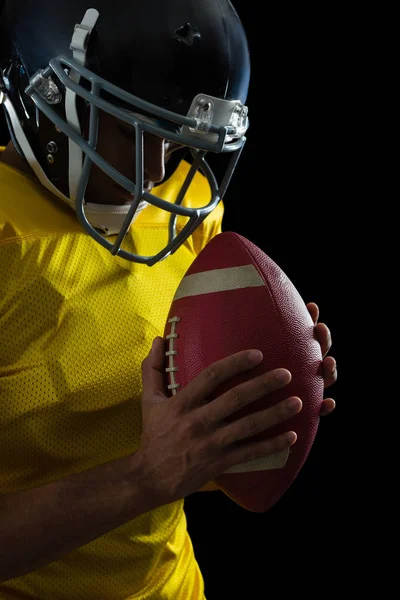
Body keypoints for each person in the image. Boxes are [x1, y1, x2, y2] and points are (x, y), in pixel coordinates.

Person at [0, 0, 337, 598]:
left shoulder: (186, 204)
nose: (157, 173)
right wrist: (141, 479)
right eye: (132, 128)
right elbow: (157, 468)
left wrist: (251, 400)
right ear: (49, 95)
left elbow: (176, 446)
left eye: (172, 135)